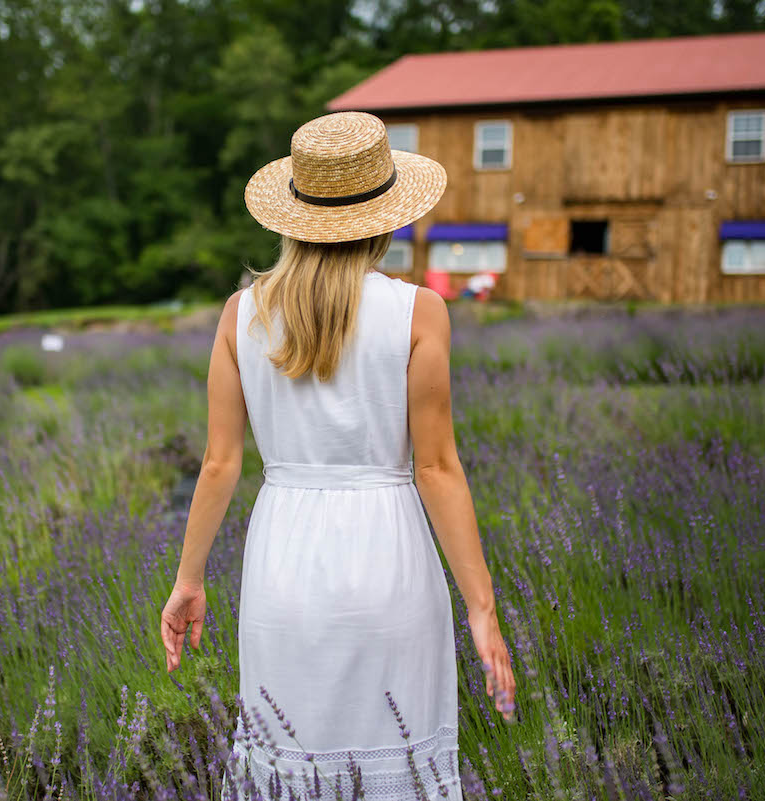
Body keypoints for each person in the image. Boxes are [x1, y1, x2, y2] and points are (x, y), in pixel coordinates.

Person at [159, 111, 515, 800]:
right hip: (390, 556)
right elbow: (438, 467)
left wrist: (189, 579)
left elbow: (219, 463)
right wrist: (482, 605)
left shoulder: (241, 315)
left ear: (293, 215)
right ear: (385, 219)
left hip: (281, 563)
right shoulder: (420, 312)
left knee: (290, 762)